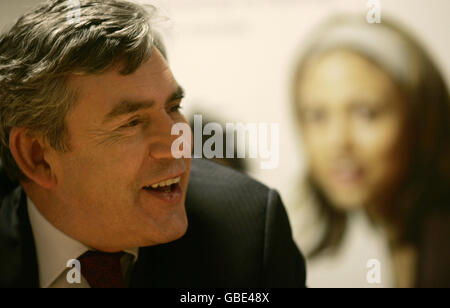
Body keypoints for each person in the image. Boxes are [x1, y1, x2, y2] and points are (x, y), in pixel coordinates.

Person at [0, 0, 305, 288]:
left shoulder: (248, 234)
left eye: (173, 108)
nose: (178, 144)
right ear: (37, 156)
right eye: (132, 122)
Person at [290, 15, 450, 288]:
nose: (339, 141)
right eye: (317, 115)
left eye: (367, 113)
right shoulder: (403, 236)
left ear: (420, 117)